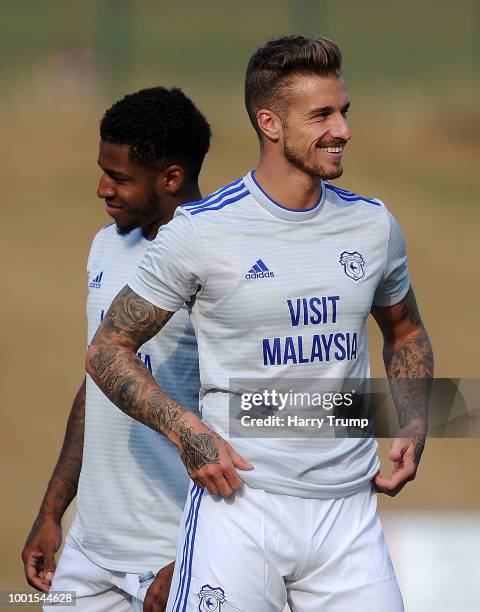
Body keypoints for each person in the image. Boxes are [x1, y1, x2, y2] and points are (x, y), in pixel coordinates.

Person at [86, 36, 433, 612]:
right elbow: (107, 350)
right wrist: (189, 433)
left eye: (343, 110)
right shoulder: (200, 232)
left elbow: (407, 332)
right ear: (269, 123)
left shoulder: (374, 226)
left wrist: (414, 424)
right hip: (239, 510)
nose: (342, 129)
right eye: (321, 114)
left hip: (349, 518)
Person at [22, 86, 211, 612]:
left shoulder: (222, 263)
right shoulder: (108, 243)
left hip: (176, 556)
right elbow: (98, 386)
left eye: (120, 178)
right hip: (90, 554)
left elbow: (250, 419)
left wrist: (197, 557)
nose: (102, 188)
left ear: (171, 178)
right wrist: (53, 511)